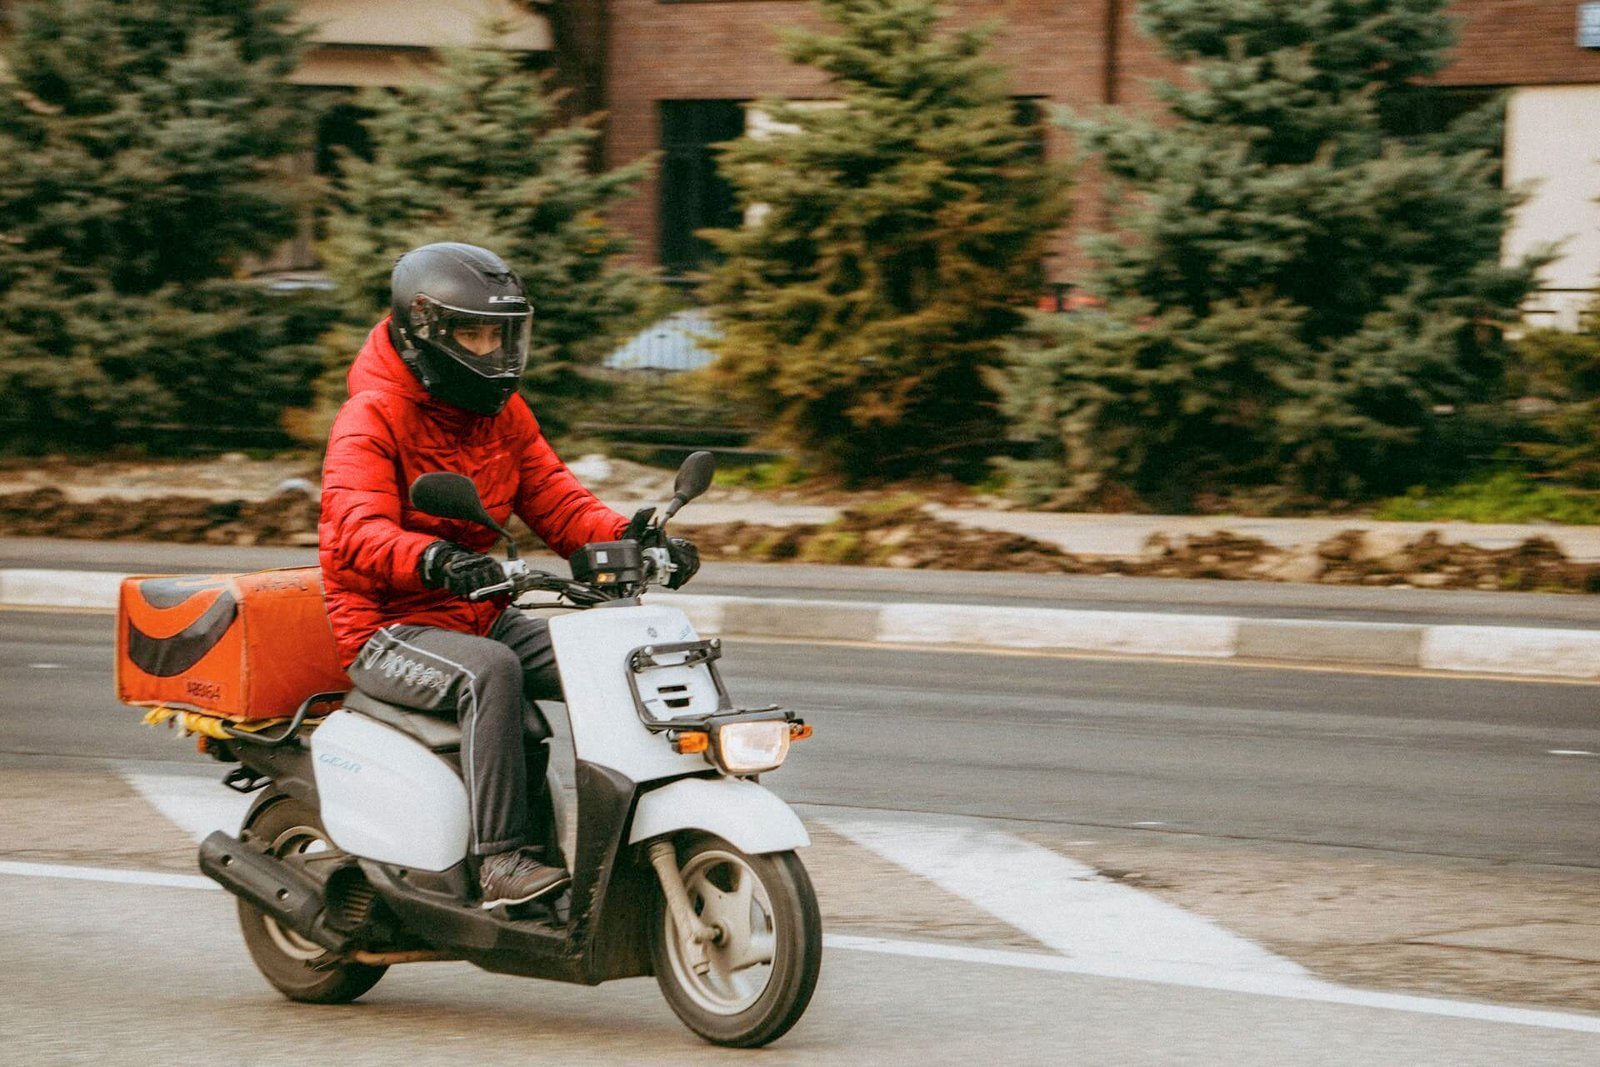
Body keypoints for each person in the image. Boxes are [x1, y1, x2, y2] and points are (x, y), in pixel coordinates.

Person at [318, 242, 700, 908]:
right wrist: (432, 557)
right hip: (387, 627)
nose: (491, 351)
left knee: (617, 655)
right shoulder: (371, 415)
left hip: (479, 612)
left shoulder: (503, 415)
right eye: (473, 334)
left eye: (499, 334)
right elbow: (354, 530)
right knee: (491, 671)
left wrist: (632, 538)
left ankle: (658, 825)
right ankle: (500, 860)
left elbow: (558, 500)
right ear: (424, 332)